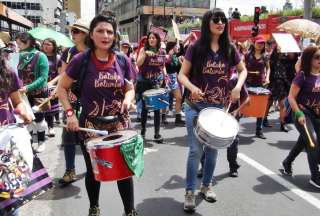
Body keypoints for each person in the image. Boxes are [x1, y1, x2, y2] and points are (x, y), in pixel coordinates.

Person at [57, 14, 138, 216]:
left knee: (124, 171)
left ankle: (130, 211)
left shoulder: (122, 59)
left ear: (115, 36)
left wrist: (128, 99)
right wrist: (70, 115)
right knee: (95, 170)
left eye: (109, 31)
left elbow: (130, 87)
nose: (105, 35)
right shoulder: (80, 60)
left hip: (119, 123)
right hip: (91, 125)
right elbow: (62, 89)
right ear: (91, 35)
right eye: (100, 31)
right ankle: (94, 207)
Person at [178, 8, 247, 212]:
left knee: (213, 152)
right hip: (195, 107)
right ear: (208, 22)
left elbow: (242, 71)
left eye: (223, 20)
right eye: (216, 19)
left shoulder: (229, 48)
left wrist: (236, 87)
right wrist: (192, 88)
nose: (220, 23)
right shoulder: (196, 47)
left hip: (218, 109)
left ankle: (206, 186)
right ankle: (190, 191)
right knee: (195, 151)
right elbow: (182, 75)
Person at [282, 46, 320, 188]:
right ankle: (315, 177)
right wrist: (298, 113)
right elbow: (291, 97)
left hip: (317, 114)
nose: (319, 60)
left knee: (304, 141)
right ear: (309, 59)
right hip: (303, 113)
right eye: (317, 57)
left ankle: (287, 162)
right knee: (312, 142)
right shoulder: (302, 75)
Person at [0, 49, 32, 216]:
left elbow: (17, 102)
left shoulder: (7, 72)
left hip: (6, 143)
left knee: (8, 196)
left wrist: (24, 112)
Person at [58, 18, 90, 185]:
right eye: (72, 31)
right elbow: (63, 77)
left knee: (89, 137)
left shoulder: (95, 51)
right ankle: (70, 170)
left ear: (86, 34)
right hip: (72, 99)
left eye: (77, 31)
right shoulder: (68, 52)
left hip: (91, 100)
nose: (73, 34)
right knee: (69, 135)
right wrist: (67, 93)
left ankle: (93, 169)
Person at [15, 32, 49, 153]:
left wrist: (28, 87)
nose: (17, 45)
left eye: (19, 43)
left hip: (38, 93)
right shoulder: (17, 55)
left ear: (28, 42)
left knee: (39, 120)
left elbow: (43, 78)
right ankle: (29, 143)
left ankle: (41, 141)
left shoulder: (41, 56)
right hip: (23, 95)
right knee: (26, 119)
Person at [136, 32, 167, 143]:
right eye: (150, 38)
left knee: (157, 109)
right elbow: (138, 63)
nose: (151, 39)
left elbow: (162, 65)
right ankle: (143, 132)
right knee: (145, 108)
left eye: (153, 38)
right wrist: (145, 54)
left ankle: (157, 134)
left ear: (158, 40)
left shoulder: (162, 51)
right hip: (144, 82)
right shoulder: (143, 50)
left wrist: (165, 76)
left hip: (156, 83)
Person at [244, 35, 271, 139]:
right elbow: (242, 67)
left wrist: (267, 77)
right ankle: (235, 125)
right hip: (248, 82)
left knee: (260, 107)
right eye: (258, 43)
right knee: (243, 104)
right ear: (254, 43)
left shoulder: (265, 56)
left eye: (262, 43)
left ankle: (259, 130)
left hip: (261, 83)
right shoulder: (247, 55)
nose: (260, 45)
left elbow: (268, 68)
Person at [41, 38, 61, 137]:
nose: (45, 46)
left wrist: (52, 83)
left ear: (53, 46)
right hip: (41, 86)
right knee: (43, 107)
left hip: (53, 86)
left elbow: (61, 74)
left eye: (48, 44)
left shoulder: (57, 58)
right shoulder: (39, 56)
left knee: (51, 109)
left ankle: (51, 127)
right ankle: (43, 127)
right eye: (44, 44)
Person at [165, 40, 185, 126]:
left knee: (179, 98)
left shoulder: (175, 57)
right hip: (166, 79)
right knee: (164, 100)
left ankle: (178, 117)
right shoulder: (166, 56)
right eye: (176, 46)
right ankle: (163, 117)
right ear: (172, 48)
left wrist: (181, 43)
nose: (178, 48)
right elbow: (164, 65)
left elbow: (182, 52)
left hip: (173, 79)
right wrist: (169, 56)